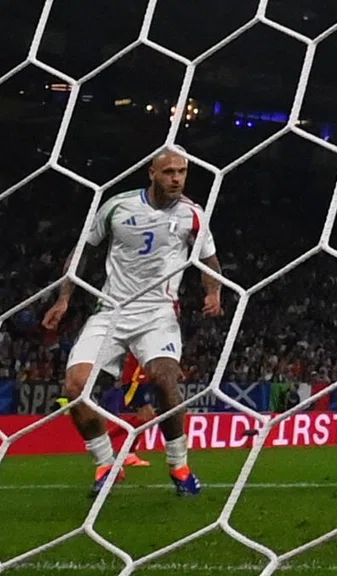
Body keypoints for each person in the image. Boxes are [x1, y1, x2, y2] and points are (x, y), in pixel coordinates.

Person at [42, 146, 223, 496]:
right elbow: (81, 251)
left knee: (163, 377)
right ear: (152, 173)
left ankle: (179, 465)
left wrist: (213, 292)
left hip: (158, 312)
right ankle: (107, 464)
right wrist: (64, 298)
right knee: (75, 388)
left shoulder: (193, 215)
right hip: (110, 310)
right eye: (169, 172)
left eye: (182, 172)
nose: (176, 179)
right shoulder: (117, 206)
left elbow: (210, 261)